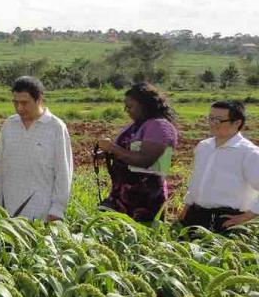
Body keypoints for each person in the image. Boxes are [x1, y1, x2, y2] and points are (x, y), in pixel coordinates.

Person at [0, 76, 73, 221]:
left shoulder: (55, 127)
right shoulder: (9, 125)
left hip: (42, 213)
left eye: (24, 103)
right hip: (9, 212)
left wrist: (57, 210)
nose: (19, 108)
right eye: (15, 103)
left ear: (39, 99)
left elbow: (63, 172)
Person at [97, 83, 178, 222]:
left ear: (145, 105)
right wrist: (107, 153)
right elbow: (126, 153)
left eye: (130, 106)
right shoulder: (136, 125)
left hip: (144, 199)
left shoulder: (159, 126)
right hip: (123, 195)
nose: (127, 110)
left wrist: (113, 148)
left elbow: (145, 160)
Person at [179, 101, 259, 233]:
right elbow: (196, 180)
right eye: (210, 118)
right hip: (196, 215)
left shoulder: (249, 153)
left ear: (237, 123)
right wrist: (187, 207)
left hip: (226, 219)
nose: (212, 123)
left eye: (218, 120)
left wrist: (247, 216)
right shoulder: (203, 146)